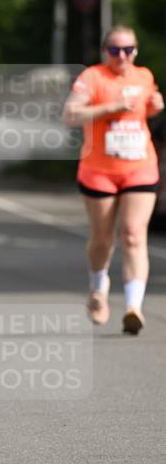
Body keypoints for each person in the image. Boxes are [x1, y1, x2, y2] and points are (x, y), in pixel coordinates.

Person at [64, 25, 164, 334]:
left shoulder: (144, 76)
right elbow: (70, 114)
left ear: (135, 51)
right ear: (105, 51)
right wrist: (111, 107)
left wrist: (154, 107)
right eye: (115, 50)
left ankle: (134, 307)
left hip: (140, 166)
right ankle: (98, 288)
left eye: (128, 50)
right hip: (99, 171)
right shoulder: (92, 77)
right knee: (103, 239)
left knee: (133, 235)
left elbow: (145, 109)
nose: (122, 56)